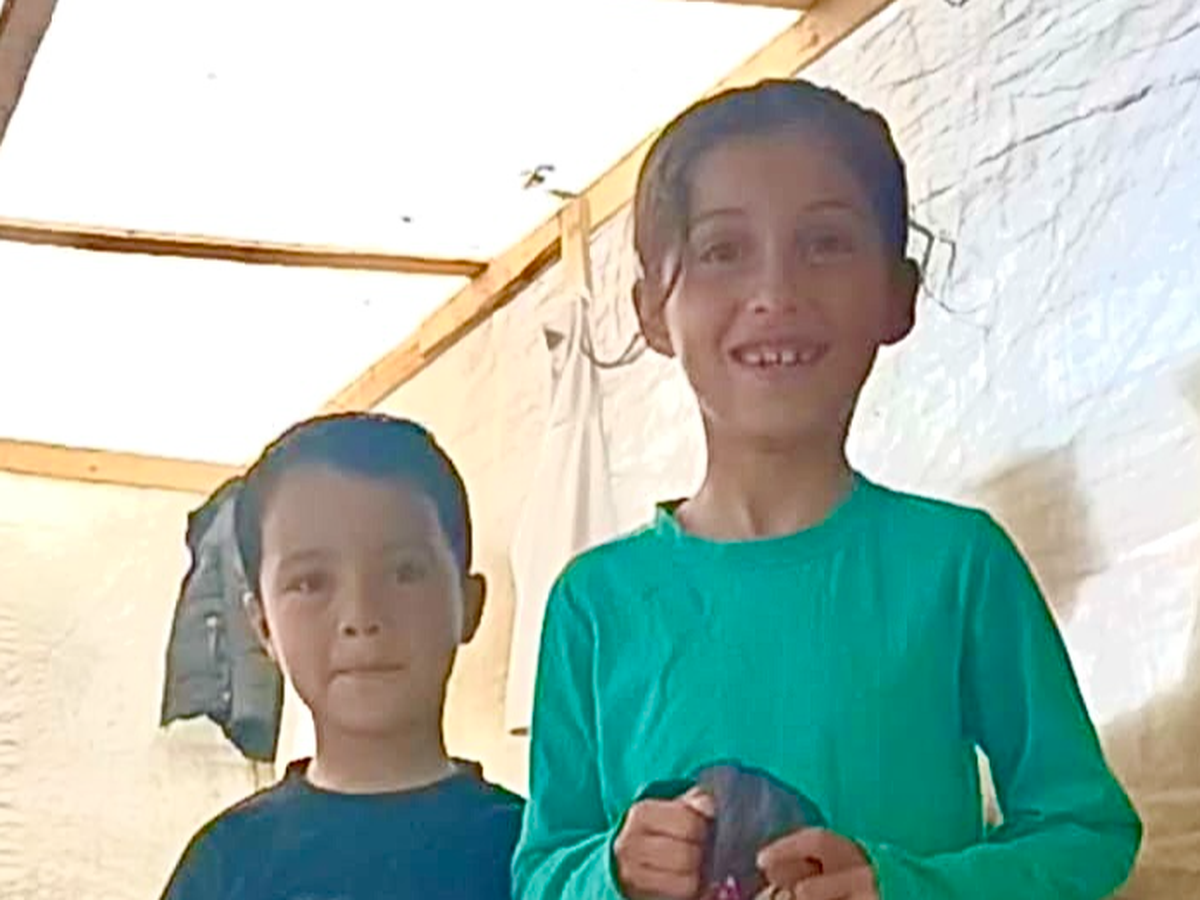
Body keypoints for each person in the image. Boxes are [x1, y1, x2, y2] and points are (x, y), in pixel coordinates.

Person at [512, 79, 1141, 900]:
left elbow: (1086, 832)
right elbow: (542, 873)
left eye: (826, 243)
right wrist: (612, 871)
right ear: (652, 312)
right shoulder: (595, 603)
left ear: (897, 295)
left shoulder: (957, 565)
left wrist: (905, 887)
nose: (776, 293)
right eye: (722, 250)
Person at [160, 413, 523, 900]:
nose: (360, 616)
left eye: (404, 572)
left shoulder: (535, 855)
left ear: (470, 604)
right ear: (263, 626)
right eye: (311, 583)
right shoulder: (225, 864)